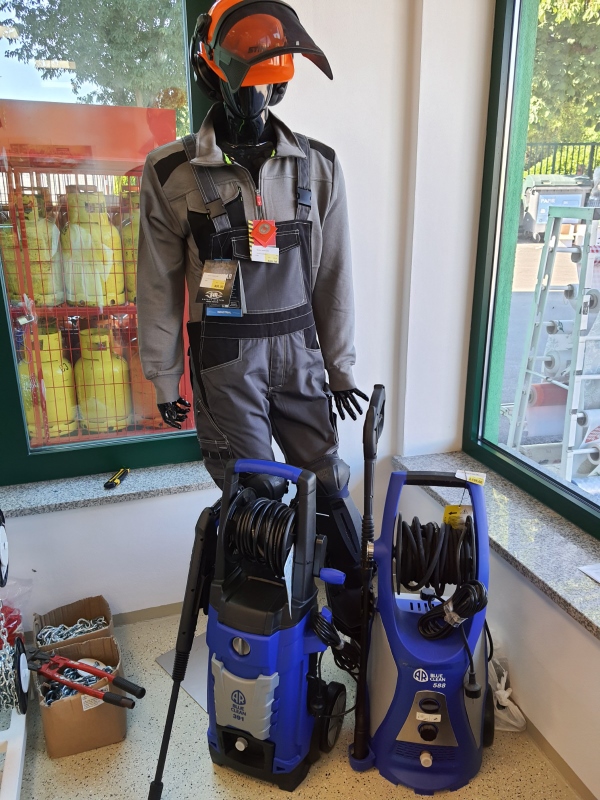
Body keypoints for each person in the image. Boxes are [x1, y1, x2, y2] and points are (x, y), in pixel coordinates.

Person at [137, 0, 366, 637]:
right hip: (225, 358)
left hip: (300, 350)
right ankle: (262, 637)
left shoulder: (318, 166)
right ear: (211, 77)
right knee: (253, 495)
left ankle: (355, 622)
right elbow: (157, 286)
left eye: (266, 84)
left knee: (326, 482)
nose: (254, 98)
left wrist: (341, 367)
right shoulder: (171, 173)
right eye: (242, 83)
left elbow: (334, 276)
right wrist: (164, 378)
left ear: (282, 84)